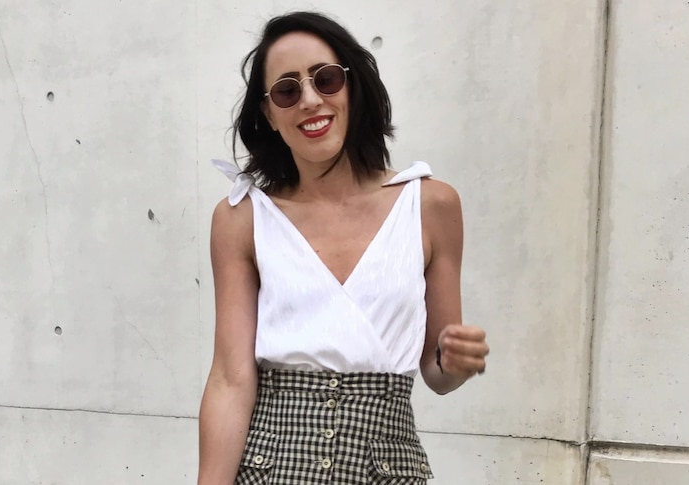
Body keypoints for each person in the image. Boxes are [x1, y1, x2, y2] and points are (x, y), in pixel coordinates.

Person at [198, 11, 489, 484]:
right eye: (287, 90)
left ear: (353, 87)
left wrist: (453, 361)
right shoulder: (242, 218)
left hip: (386, 471)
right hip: (269, 471)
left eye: (327, 79)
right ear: (269, 114)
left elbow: (437, 375)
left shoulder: (429, 204)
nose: (310, 100)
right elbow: (230, 380)